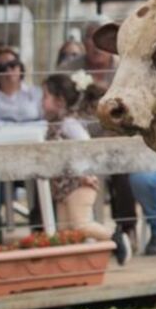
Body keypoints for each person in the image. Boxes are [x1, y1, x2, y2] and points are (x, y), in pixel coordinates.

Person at [59, 20, 140, 243]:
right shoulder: (69, 69)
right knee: (56, 166)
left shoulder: (125, 67)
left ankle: (126, 228)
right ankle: (61, 232)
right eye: (90, 39)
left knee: (122, 168)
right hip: (78, 141)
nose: (95, 46)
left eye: (100, 39)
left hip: (116, 135)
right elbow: (60, 104)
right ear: (84, 42)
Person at [41, 72, 131, 265]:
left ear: (59, 100)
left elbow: (85, 145)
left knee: (81, 225)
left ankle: (115, 237)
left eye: (45, 97)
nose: (42, 102)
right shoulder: (53, 124)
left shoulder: (68, 124)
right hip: (63, 187)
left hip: (79, 184)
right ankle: (72, 264)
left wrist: (85, 173)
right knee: (65, 231)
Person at [0, 47, 42, 123]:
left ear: (20, 68)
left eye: (12, 65)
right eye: (1, 67)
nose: (8, 70)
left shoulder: (36, 93)